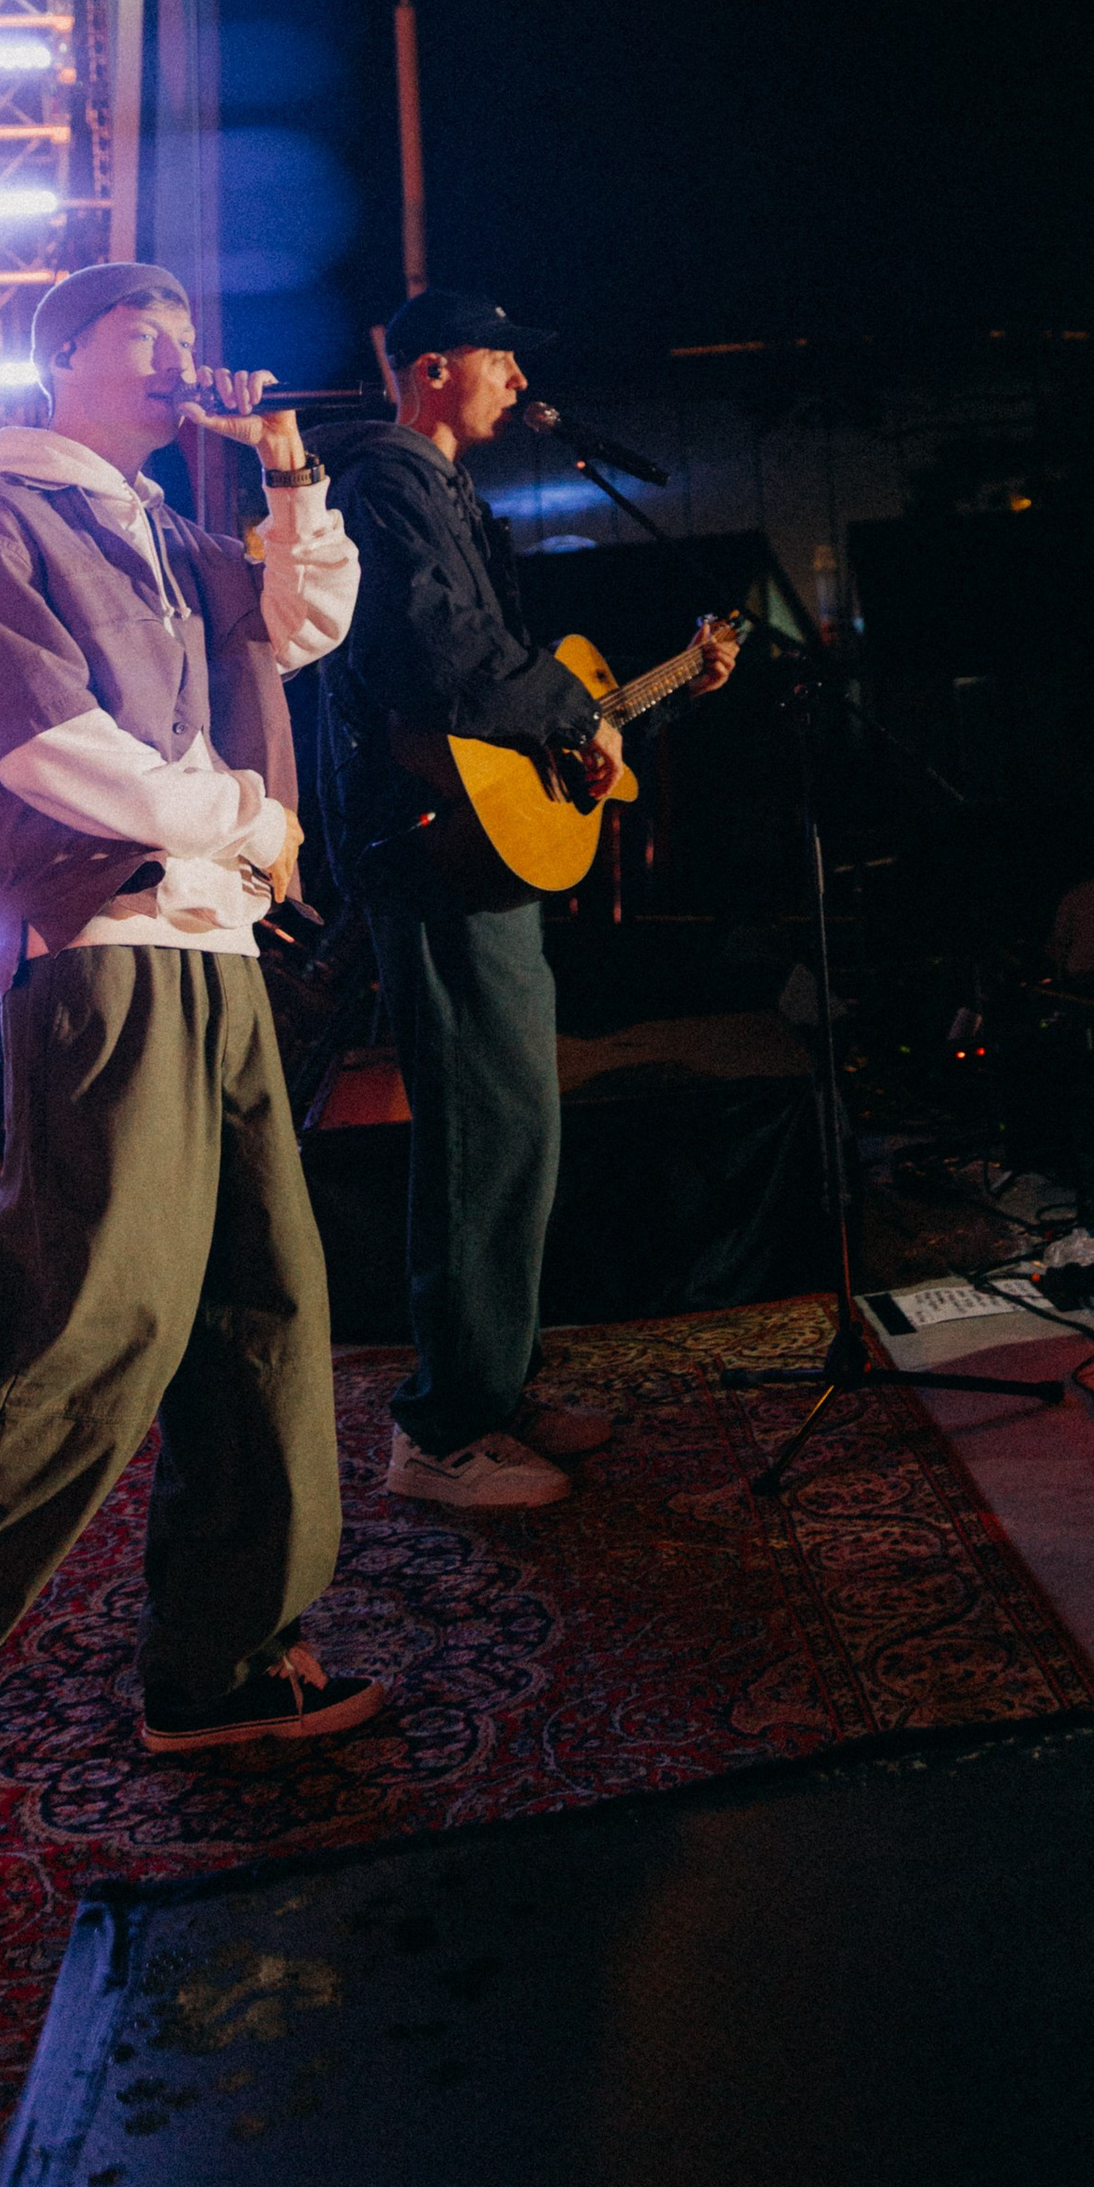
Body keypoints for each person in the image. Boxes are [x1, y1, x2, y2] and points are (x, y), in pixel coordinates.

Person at [0, 263, 375, 1878]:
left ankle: (223, 1667)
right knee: (95, 1332)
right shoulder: (0, 527)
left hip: (222, 951)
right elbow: (47, 750)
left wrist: (292, 471)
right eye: (147, 339)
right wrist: (244, 819)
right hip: (106, 956)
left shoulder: (165, 534)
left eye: (189, 337)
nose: (184, 362)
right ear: (63, 359)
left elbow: (304, 621)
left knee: (262, 1313)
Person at [321, 288, 737, 1513]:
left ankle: (493, 1385)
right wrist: (571, 718)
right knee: (483, 1136)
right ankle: (442, 1429)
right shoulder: (383, 480)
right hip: (424, 847)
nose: (518, 377)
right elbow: (434, 655)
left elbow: (498, 681)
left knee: (516, 1128)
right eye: (501, 357)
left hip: (473, 842)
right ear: (435, 367)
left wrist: (597, 723)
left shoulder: (443, 486)